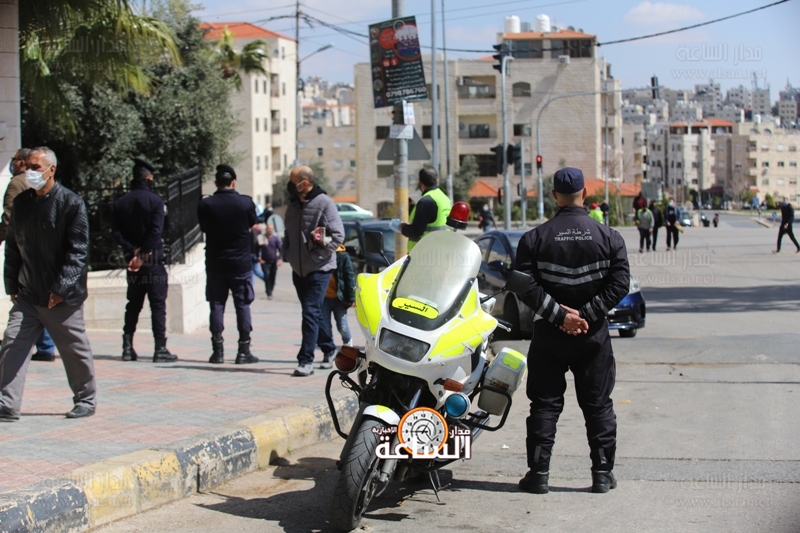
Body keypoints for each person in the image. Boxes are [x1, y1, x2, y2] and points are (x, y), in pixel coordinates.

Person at [514, 167, 629, 495]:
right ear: (585, 194)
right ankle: (602, 475)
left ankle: (538, 475)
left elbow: (523, 284)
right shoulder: (610, 237)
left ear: (554, 196)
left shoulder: (534, 238)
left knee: (544, 405)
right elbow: (620, 283)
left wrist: (559, 317)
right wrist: (586, 315)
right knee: (598, 405)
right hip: (593, 337)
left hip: (549, 336)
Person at [0, 147, 97, 421]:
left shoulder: (71, 203)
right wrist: (12, 285)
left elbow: (78, 252)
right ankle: (7, 404)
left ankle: (86, 400)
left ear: (51, 170)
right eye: (27, 167)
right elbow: (13, 248)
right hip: (28, 294)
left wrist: (61, 288)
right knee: (12, 343)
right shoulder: (22, 203)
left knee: (74, 349)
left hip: (61, 298)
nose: (29, 172)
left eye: (35, 167)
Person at [112, 158, 177, 363]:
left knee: (133, 304)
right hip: (153, 262)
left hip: (132, 264)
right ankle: (160, 349)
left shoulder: (120, 202)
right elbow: (156, 232)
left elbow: (116, 233)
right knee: (157, 306)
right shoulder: (155, 201)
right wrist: (143, 255)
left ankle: (127, 347)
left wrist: (133, 252)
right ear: (148, 178)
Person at [282, 165, 344, 376]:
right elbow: (288, 233)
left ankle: (305, 360)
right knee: (313, 312)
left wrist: (317, 255)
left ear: (305, 183)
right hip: (298, 269)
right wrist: (287, 253)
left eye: (293, 182)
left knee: (309, 312)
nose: (290, 186)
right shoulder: (293, 204)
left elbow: (338, 235)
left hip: (320, 268)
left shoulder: (324, 203)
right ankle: (329, 349)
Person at [197, 164, 259, 365]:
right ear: (233, 182)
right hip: (240, 263)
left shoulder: (206, 204)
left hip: (216, 262)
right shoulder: (245, 202)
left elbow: (203, 227)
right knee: (242, 305)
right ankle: (243, 351)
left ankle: (218, 352)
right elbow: (251, 223)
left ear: (216, 183)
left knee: (216, 305)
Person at [1, 148, 56, 362]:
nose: (12, 163)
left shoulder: (17, 183)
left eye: (14, 160)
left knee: (28, 300)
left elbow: (9, 219)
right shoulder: (42, 185)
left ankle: (40, 345)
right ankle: (45, 346)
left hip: (25, 252)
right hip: (43, 252)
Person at [396, 167, 451, 252]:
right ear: (437, 180)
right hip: (441, 251)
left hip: (425, 254)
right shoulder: (445, 198)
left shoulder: (426, 201)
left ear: (421, 183)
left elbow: (416, 231)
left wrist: (402, 227)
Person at [319, 243, 356, 366]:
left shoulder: (343, 256)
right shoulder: (319, 254)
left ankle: (348, 347)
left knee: (342, 327)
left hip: (339, 299)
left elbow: (349, 276)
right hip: (323, 299)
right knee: (324, 327)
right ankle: (328, 354)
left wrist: (351, 297)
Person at [258, 223, 281, 299]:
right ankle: (269, 293)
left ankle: (270, 290)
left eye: (271, 229)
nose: (269, 230)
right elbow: (257, 248)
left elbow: (280, 249)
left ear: (273, 230)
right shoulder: (262, 238)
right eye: (268, 228)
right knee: (267, 276)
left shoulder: (275, 239)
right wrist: (259, 258)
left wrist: (280, 259)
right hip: (264, 262)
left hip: (273, 262)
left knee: (272, 277)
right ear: (266, 229)